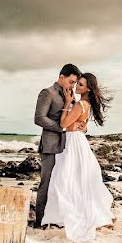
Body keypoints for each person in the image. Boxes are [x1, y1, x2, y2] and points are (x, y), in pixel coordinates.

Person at [40, 72, 115, 242]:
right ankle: (61, 215)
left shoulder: (80, 103)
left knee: (65, 179)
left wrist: (67, 103)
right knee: (74, 178)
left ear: (88, 88)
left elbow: (64, 124)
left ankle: (63, 215)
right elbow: (80, 124)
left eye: (80, 84)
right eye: (76, 83)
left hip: (73, 143)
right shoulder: (84, 104)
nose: (76, 87)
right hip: (77, 141)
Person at [33, 63, 85, 228]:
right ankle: (40, 221)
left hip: (67, 146)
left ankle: (56, 218)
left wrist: (81, 125)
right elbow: (39, 118)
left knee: (63, 183)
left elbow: (73, 117)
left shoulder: (72, 96)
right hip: (50, 145)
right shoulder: (47, 93)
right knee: (47, 183)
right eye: (70, 82)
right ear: (61, 77)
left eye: (75, 83)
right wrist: (62, 127)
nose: (72, 86)